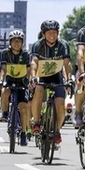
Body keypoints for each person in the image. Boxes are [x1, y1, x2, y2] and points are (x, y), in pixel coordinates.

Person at [29, 20, 74, 149]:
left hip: (57, 77)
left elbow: (67, 63)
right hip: (42, 76)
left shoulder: (63, 45)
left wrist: (69, 78)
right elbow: (34, 63)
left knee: (60, 105)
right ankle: (37, 122)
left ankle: (57, 130)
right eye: (49, 33)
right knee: (38, 90)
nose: (52, 35)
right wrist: (33, 77)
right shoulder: (38, 45)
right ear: (43, 34)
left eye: (55, 32)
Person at [0, 30, 31, 137]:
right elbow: (3, 69)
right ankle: (5, 113)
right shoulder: (4, 53)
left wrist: (30, 80)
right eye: (14, 41)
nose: (17, 43)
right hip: (9, 80)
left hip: (22, 81)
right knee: (5, 91)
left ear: (22, 43)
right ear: (10, 42)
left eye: (19, 41)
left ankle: (23, 133)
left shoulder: (26, 54)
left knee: (23, 107)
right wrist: (1, 80)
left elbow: (29, 70)